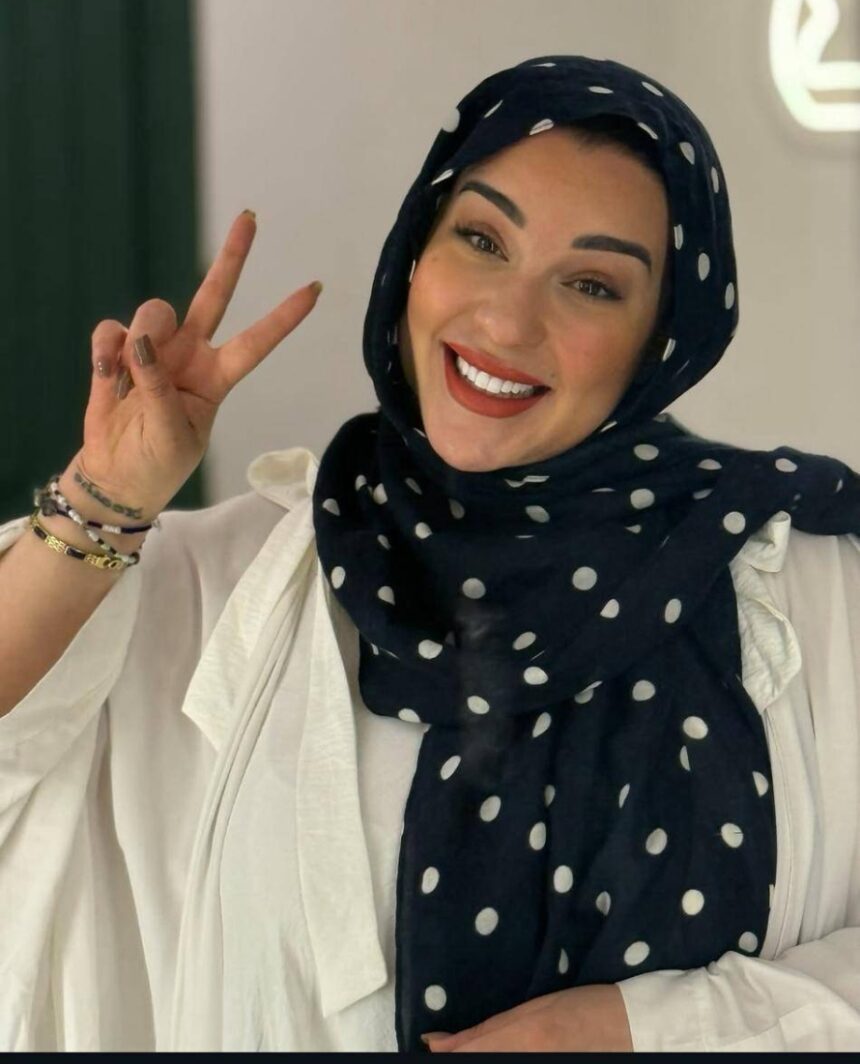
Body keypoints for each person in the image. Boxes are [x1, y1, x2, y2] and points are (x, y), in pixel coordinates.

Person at [0, 55, 858, 1054]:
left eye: (591, 284)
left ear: (663, 340)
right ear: (415, 255)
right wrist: (105, 496)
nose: (506, 320)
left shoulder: (801, 592)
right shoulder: (220, 590)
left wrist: (651, 1030)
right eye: (481, 239)